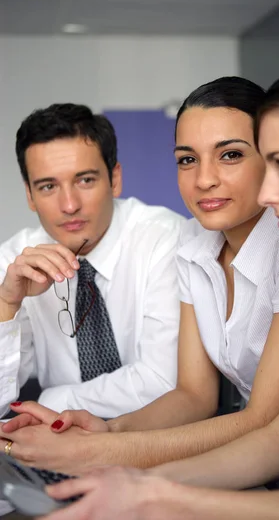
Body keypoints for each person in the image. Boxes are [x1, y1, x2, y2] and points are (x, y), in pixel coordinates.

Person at [38, 50, 279, 520]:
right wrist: (127, 468)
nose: (270, 193)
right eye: (187, 160)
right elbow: (278, 437)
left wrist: (139, 482)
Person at [0, 103, 184, 420]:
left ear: (114, 179)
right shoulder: (14, 261)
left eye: (85, 180)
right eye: (48, 186)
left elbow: (164, 383)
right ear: (30, 195)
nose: (69, 205)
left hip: (157, 438)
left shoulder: (164, 239)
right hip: (60, 449)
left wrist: (53, 403)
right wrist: (6, 304)